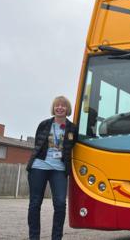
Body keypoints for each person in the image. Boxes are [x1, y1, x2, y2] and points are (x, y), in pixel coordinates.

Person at [26, 96, 78, 240]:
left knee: (60, 203)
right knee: (35, 203)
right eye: (57, 105)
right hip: (39, 166)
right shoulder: (44, 124)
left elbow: (73, 146)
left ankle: (56, 237)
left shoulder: (72, 128)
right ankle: (34, 237)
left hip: (59, 169)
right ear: (53, 108)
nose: (60, 108)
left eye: (63, 105)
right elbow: (38, 144)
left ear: (67, 109)